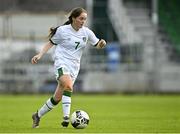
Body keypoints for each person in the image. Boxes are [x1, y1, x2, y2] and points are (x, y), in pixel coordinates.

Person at [31, 7, 106, 128]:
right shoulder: (62, 30)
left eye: (85, 19)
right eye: (81, 19)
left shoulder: (87, 32)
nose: (83, 21)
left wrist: (102, 44)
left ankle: (37, 115)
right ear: (73, 18)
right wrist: (40, 55)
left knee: (57, 98)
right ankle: (66, 118)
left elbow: (97, 44)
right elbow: (51, 42)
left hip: (74, 68)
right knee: (69, 86)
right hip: (61, 63)